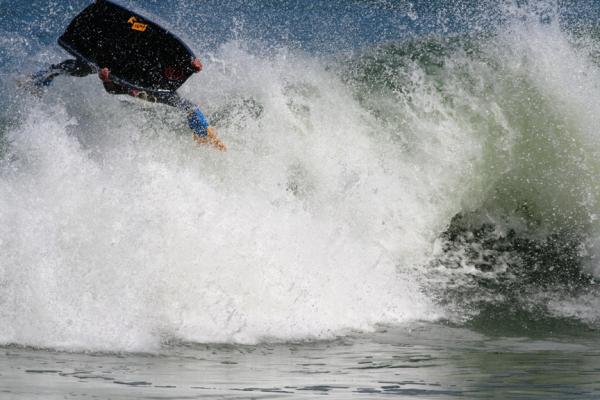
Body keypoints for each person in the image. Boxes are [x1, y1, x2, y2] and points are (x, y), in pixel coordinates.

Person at [26, 58, 226, 151]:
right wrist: (106, 79)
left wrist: (191, 65)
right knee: (84, 65)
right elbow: (113, 90)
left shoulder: (159, 88)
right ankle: (38, 80)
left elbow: (171, 61)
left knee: (189, 107)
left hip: (149, 80)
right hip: (122, 67)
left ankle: (204, 136)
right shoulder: (130, 82)